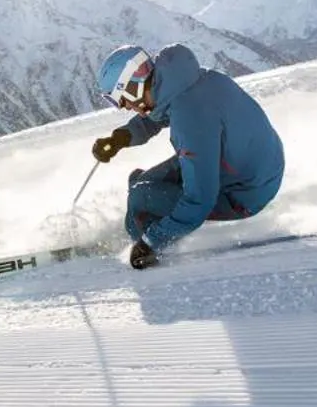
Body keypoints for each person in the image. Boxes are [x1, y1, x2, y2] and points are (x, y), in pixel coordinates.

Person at [90, 43, 285, 269]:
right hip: (251, 166)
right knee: (139, 182)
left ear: (134, 86)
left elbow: (200, 199)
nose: (124, 107)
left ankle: (140, 236)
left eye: (121, 99)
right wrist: (120, 138)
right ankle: (146, 220)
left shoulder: (191, 120)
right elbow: (159, 113)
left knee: (140, 196)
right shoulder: (185, 82)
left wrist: (151, 243)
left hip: (245, 194)